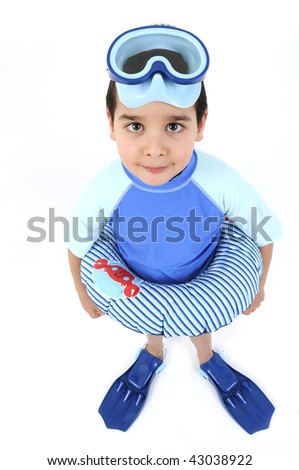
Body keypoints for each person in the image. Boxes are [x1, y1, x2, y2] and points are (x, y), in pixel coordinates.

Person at [67, 25, 282, 433]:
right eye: (135, 126)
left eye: (174, 126)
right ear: (110, 123)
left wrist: (259, 282)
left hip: (204, 277)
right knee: (152, 318)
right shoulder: (107, 187)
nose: (154, 148)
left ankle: (205, 357)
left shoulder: (218, 180)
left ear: (200, 124)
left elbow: (263, 231)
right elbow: (77, 244)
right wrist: (83, 291)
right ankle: (154, 350)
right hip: (138, 279)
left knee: (201, 324)